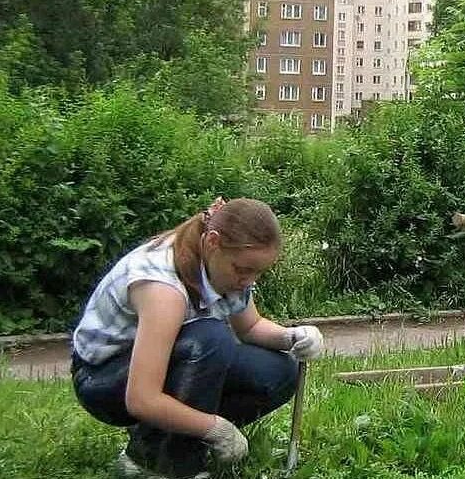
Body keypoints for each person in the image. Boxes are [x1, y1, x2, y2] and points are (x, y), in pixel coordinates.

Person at [71, 197, 324, 479]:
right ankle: (159, 462)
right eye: (243, 270)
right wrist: (215, 428)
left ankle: (161, 439)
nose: (250, 281)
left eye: (258, 272)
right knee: (210, 339)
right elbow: (141, 399)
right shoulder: (163, 288)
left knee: (279, 371)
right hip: (102, 380)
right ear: (213, 242)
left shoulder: (221, 266)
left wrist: (293, 337)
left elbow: (250, 327)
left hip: (167, 364)